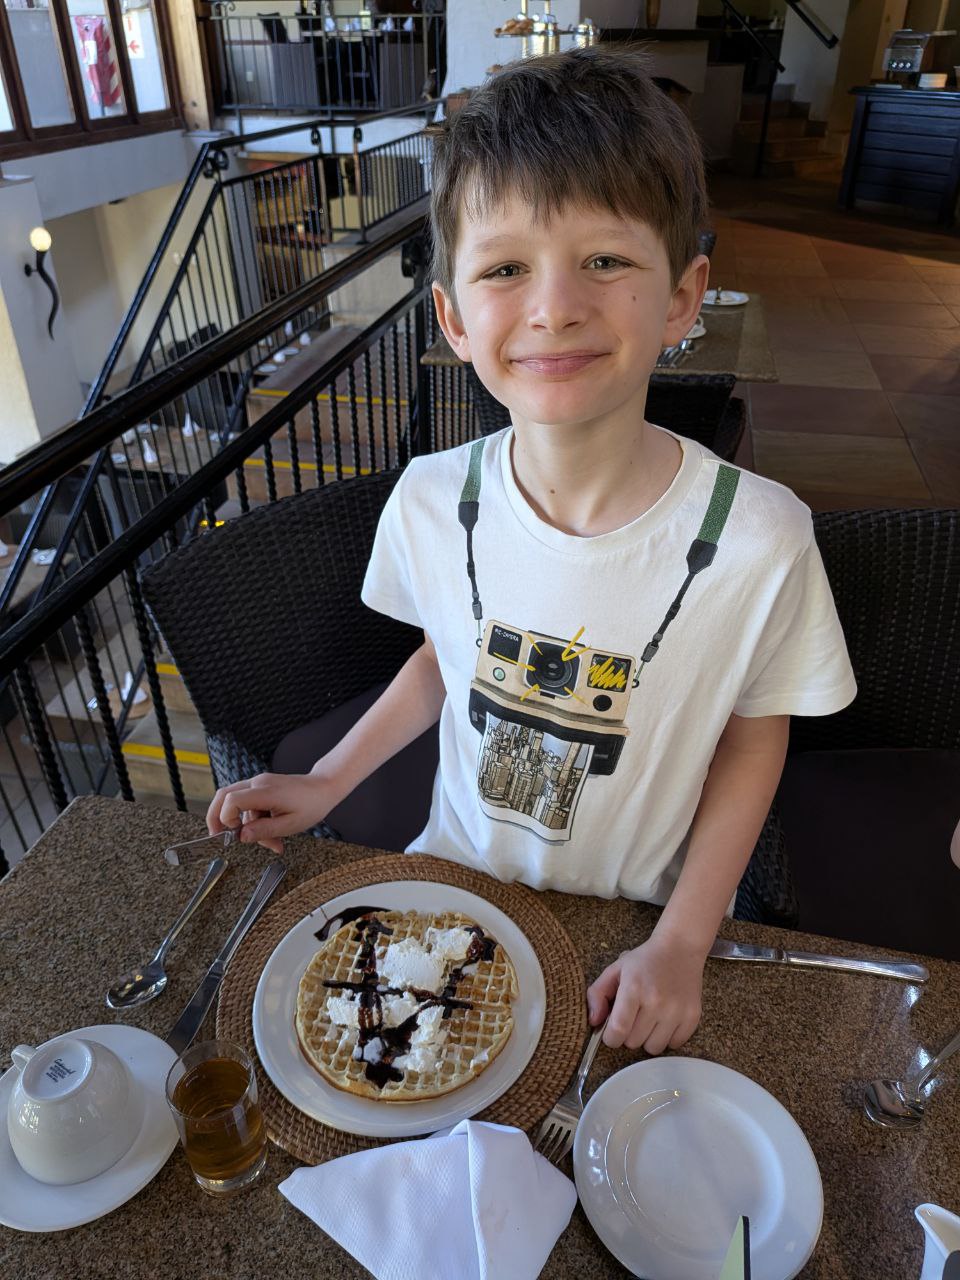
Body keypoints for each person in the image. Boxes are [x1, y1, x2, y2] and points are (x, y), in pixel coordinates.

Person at [207, 47, 856, 1056]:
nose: (554, 305)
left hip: (628, 929)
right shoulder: (429, 501)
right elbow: (447, 655)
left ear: (683, 298)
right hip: (452, 880)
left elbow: (754, 728)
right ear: (455, 316)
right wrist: (329, 780)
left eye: (605, 259)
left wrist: (686, 938)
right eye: (507, 267)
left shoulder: (762, 537)